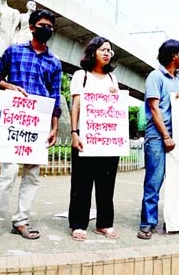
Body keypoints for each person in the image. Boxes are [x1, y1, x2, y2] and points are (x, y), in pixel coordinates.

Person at [0, 9, 62, 245]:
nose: (48, 29)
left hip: (39, 124)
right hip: (14, 121)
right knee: (8, 173)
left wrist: (54, 126)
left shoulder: (54, 62)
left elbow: (54, 97)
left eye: (51, 26)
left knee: (32, 175)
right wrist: (9, 87)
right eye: (44, 25)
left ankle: (21, 220)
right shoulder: (14, 52)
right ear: (33, 27)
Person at [68, 36, 121, 241]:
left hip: (108, 138)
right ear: (93, 52)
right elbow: (76, 105)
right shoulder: (81, 76)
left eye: (109, 51)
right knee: (81, 182)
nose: (107, 53)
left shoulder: (112, 78)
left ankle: (104, 223)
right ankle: (78, 224)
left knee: (106, 182)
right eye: (103, 50)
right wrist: (74, 132)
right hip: (86, 136)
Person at [137, 39, 179, 240]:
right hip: (158, 137)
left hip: (176, 137)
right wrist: (166, 136)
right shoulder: (155, 76)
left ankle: (176, 220)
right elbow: (154, 107)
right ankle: (147, 223)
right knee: (154, 182)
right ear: (174, 56)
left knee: (177, 181)